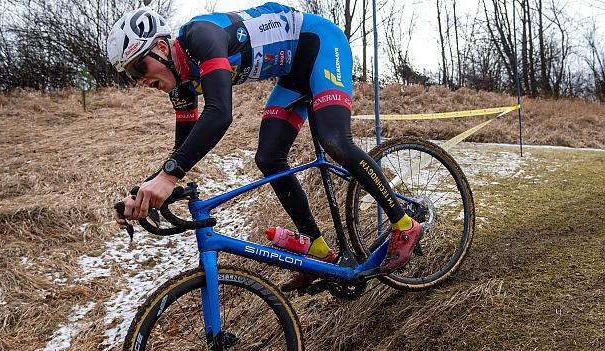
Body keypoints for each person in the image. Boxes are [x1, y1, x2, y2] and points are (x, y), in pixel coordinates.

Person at [108, 3, 422, 291]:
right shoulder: (183, 84)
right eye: (131, 74)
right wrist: (144, 192)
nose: (138, 80)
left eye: (139, 68)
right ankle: (318, 249)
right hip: (292, 75)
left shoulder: (200, 36)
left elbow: (219, 114)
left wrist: (168, 176)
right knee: (269, 157)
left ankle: (404, 224)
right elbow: (182, 153)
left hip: (319, 44)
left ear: (162, 48)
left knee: (335, 141)